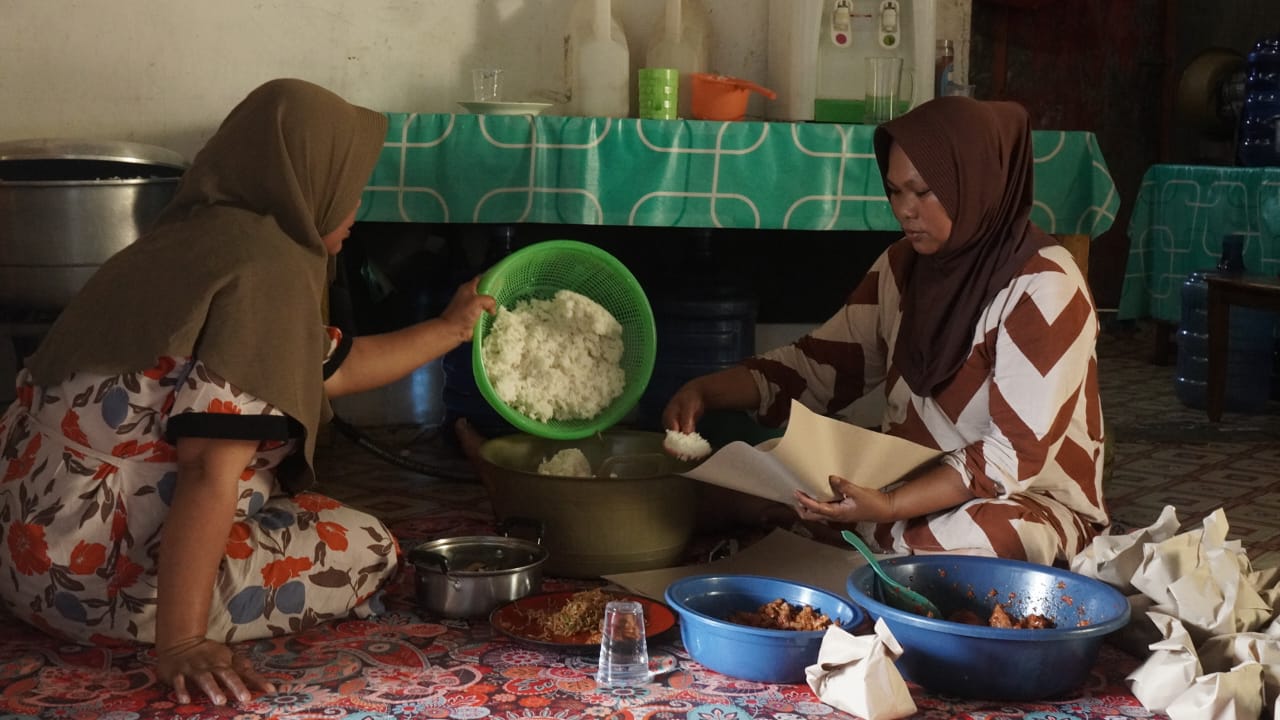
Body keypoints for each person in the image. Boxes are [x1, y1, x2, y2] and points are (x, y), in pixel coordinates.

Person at [0, 79, 494, 706]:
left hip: (21, 544)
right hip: (86, 580)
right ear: (306, 178)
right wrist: (182, 641)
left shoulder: (192, 235)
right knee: (366, 546)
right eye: (349, 185)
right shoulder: (267, 272)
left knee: (297, 505)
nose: (355, 205)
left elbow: (327, 368)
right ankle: (164, 616)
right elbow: (208, 469)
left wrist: (451, 328)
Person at [663, 96, 1107, 566]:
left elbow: (1011, 456)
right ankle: (864, 540)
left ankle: (857, 536)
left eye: (923, 192)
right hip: (904, 488)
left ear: (975, 183)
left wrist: (891, 505)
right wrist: (706, 390)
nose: (905, 210)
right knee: (718, 488)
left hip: (1018, 501)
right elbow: (820, 365)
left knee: (990, 538)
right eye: (895, 191)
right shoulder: (903, 266)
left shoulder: (1044, 284)